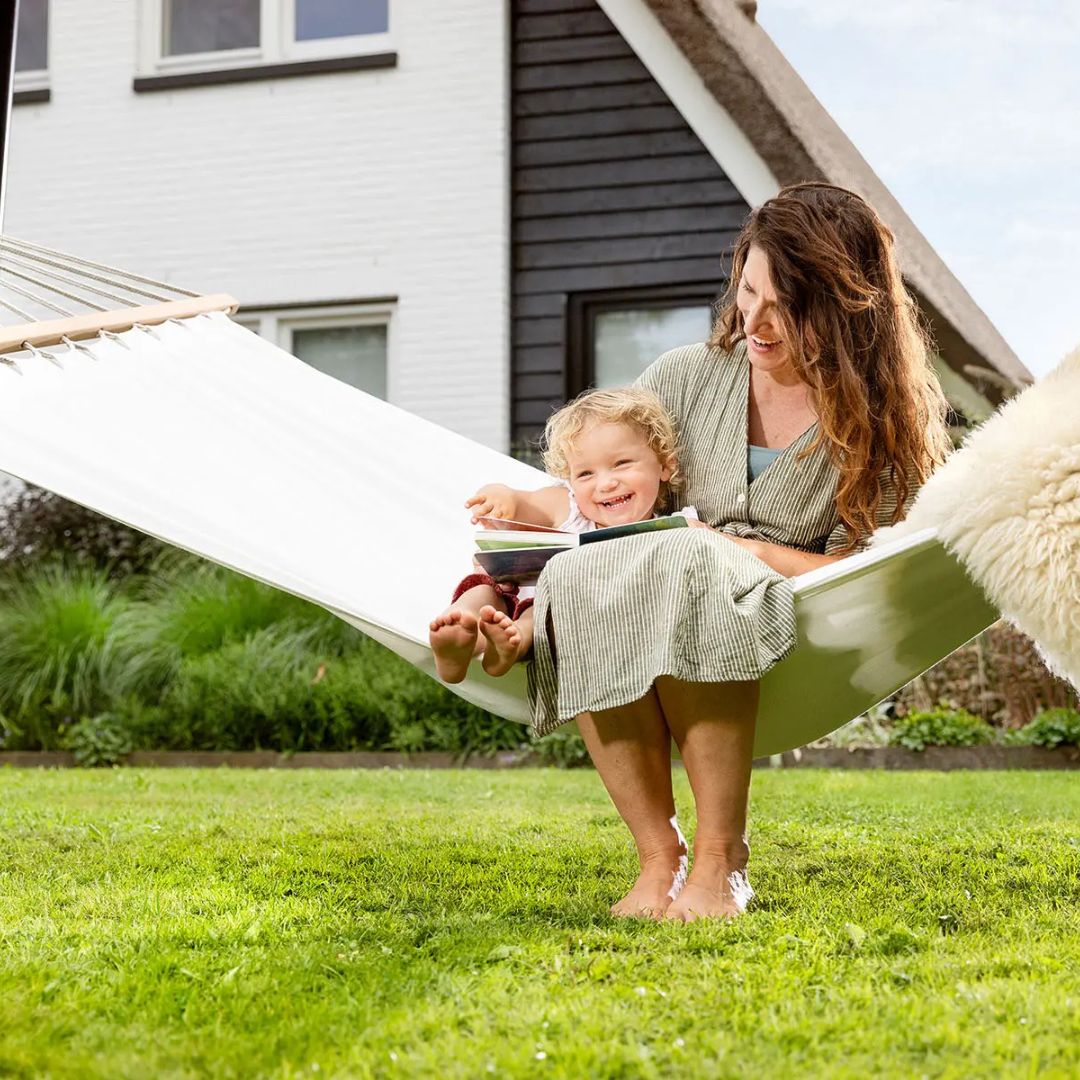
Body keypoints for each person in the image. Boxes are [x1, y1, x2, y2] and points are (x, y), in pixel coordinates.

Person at [528, 182, 951, 922]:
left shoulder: (885, 426)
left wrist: (728, 549)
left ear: (845, 308)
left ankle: (722, 859)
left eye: (784, 307)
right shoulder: (683, 378)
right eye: (747, 291)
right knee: (587, 571)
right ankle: (662, 858)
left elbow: (870, 577)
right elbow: (601, 492)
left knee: (690, 566)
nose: (754, 321)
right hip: (640, 610)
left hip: (784, 624)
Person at [428, 387, 698, 684]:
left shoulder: (674, 530)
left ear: (665, 465)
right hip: (511, 592)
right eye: (585, 474)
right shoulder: (569, 507)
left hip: (556, 617)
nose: (606, 484)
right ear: (570, 481)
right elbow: (524, 502)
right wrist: (501, 498)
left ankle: (511, 643)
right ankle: (460, 632)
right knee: (484, 589)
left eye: (621, 463)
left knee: (547, 611)